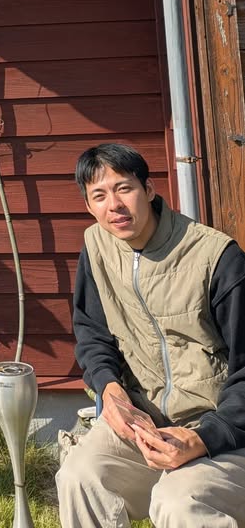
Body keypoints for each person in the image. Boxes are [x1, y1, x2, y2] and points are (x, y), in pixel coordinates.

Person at [56, 142, 245, 528]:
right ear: (89, 207)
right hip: (145, 426)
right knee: (79, 477)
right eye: (99, 195)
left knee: (178, 502)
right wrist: (109, 388)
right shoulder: (96, 249)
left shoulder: (216, 258)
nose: (115, 205)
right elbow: (93, 334)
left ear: (149, 190)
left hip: (226, 434)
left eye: (124, 188)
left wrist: (205, 438)